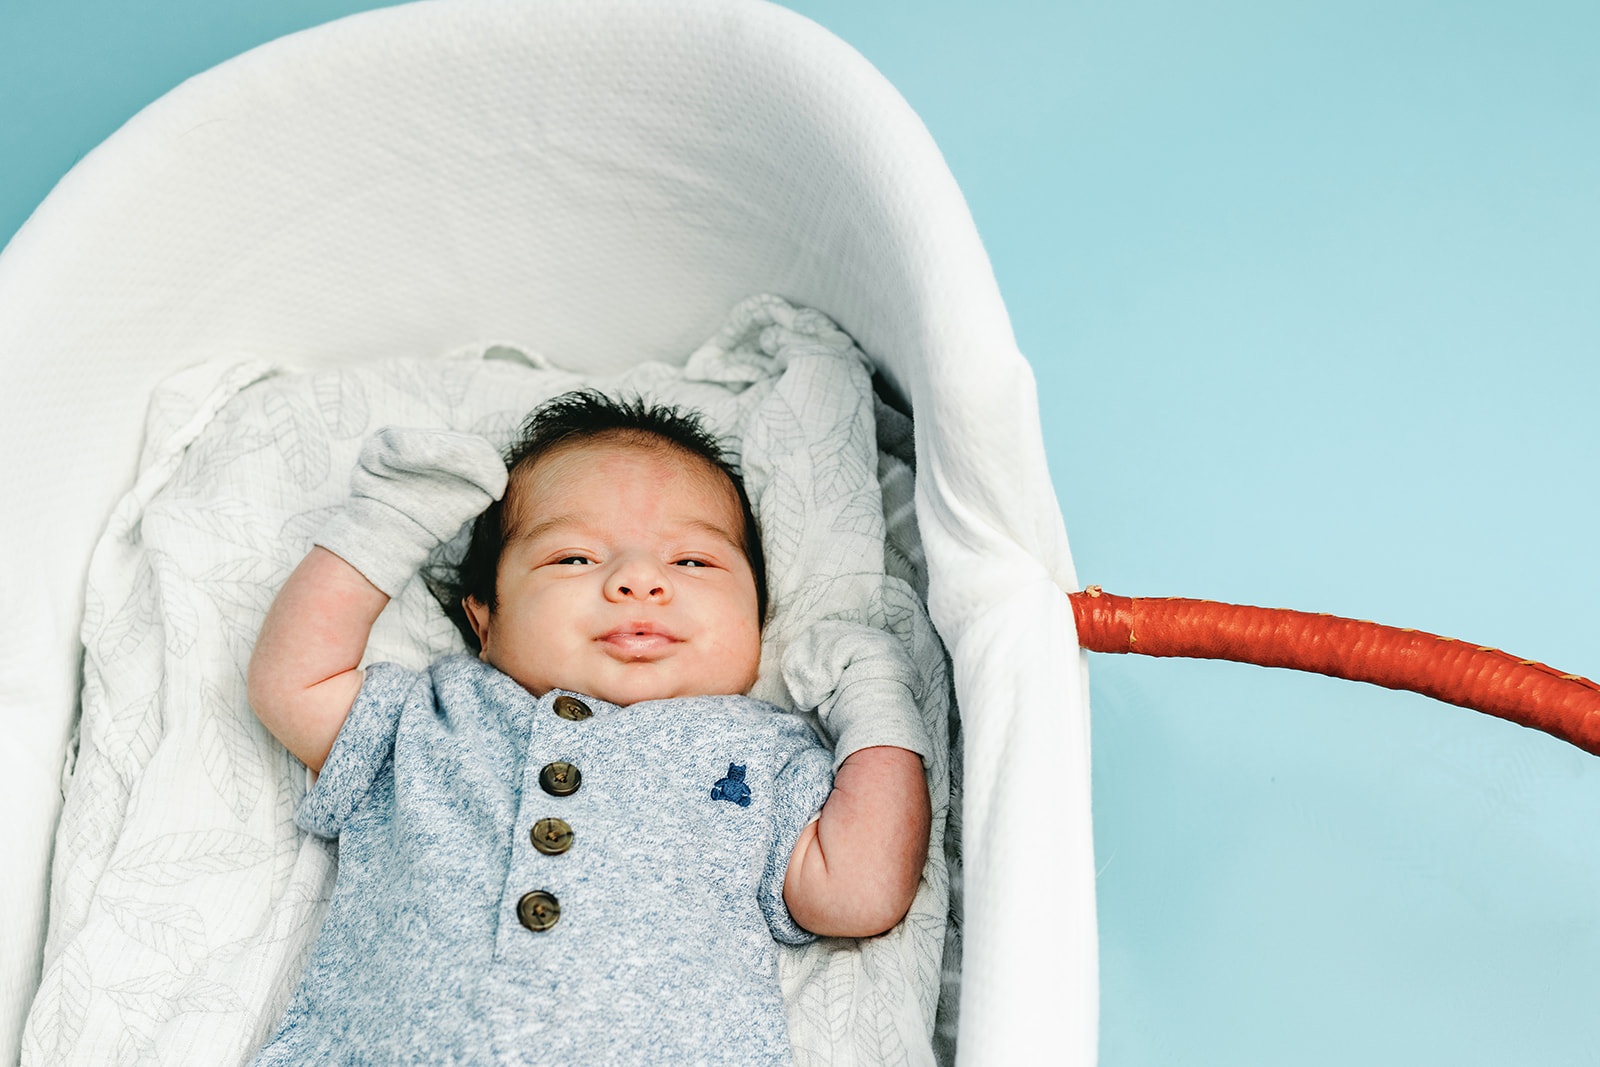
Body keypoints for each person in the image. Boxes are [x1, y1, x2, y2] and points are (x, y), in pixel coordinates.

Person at [245, 390, 932, 1065]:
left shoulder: (761, 752)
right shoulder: (436, 716)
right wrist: (390, 520)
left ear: (757, 618)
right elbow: (291, 683)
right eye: (574, 557)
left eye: (692, 560)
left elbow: (860, 889)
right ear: (483, 622)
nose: (638, 579)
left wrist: (877, 702)